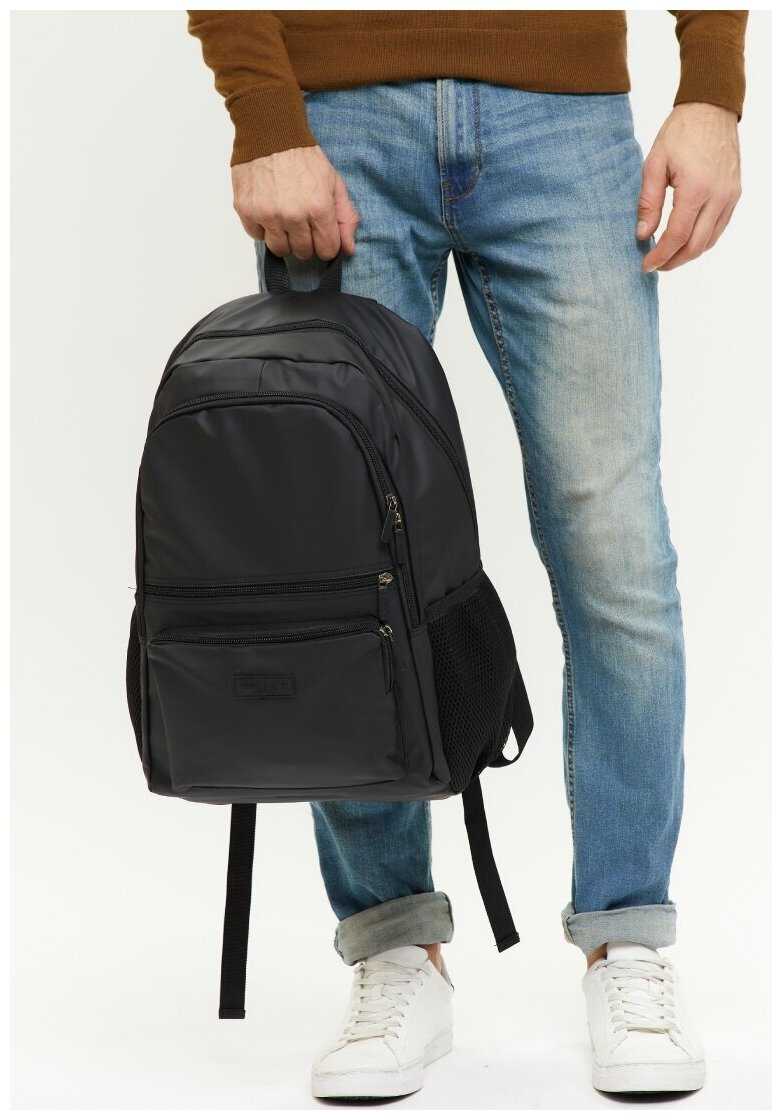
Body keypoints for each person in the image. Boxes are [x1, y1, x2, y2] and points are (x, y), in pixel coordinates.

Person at [188, 9, 746, 1100]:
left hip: (566, 124)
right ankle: (394, 944)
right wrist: (263, 114)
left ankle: (628, 936)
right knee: (341, 553)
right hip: (338, 122)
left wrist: (712, 88)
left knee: (615, 549)